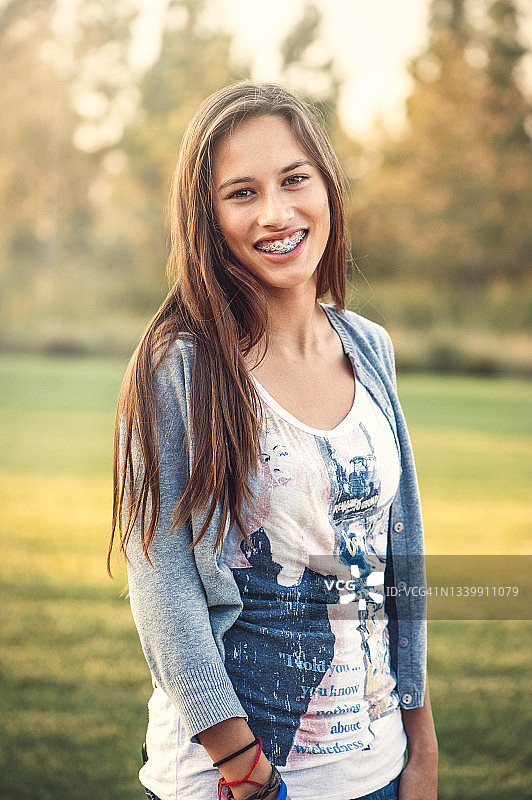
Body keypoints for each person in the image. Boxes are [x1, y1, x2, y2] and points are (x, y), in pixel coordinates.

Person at [108, 81, 438, 800]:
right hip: (237, 781)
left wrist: (421, 748)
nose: (276, 213)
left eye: (294, 180)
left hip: (377, 771)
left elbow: (391, 567)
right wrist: (244, 768)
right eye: (241, 193)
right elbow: (161, 582)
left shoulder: (370, 348)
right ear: (208, 217)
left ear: (328, 189)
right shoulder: (181, 364)